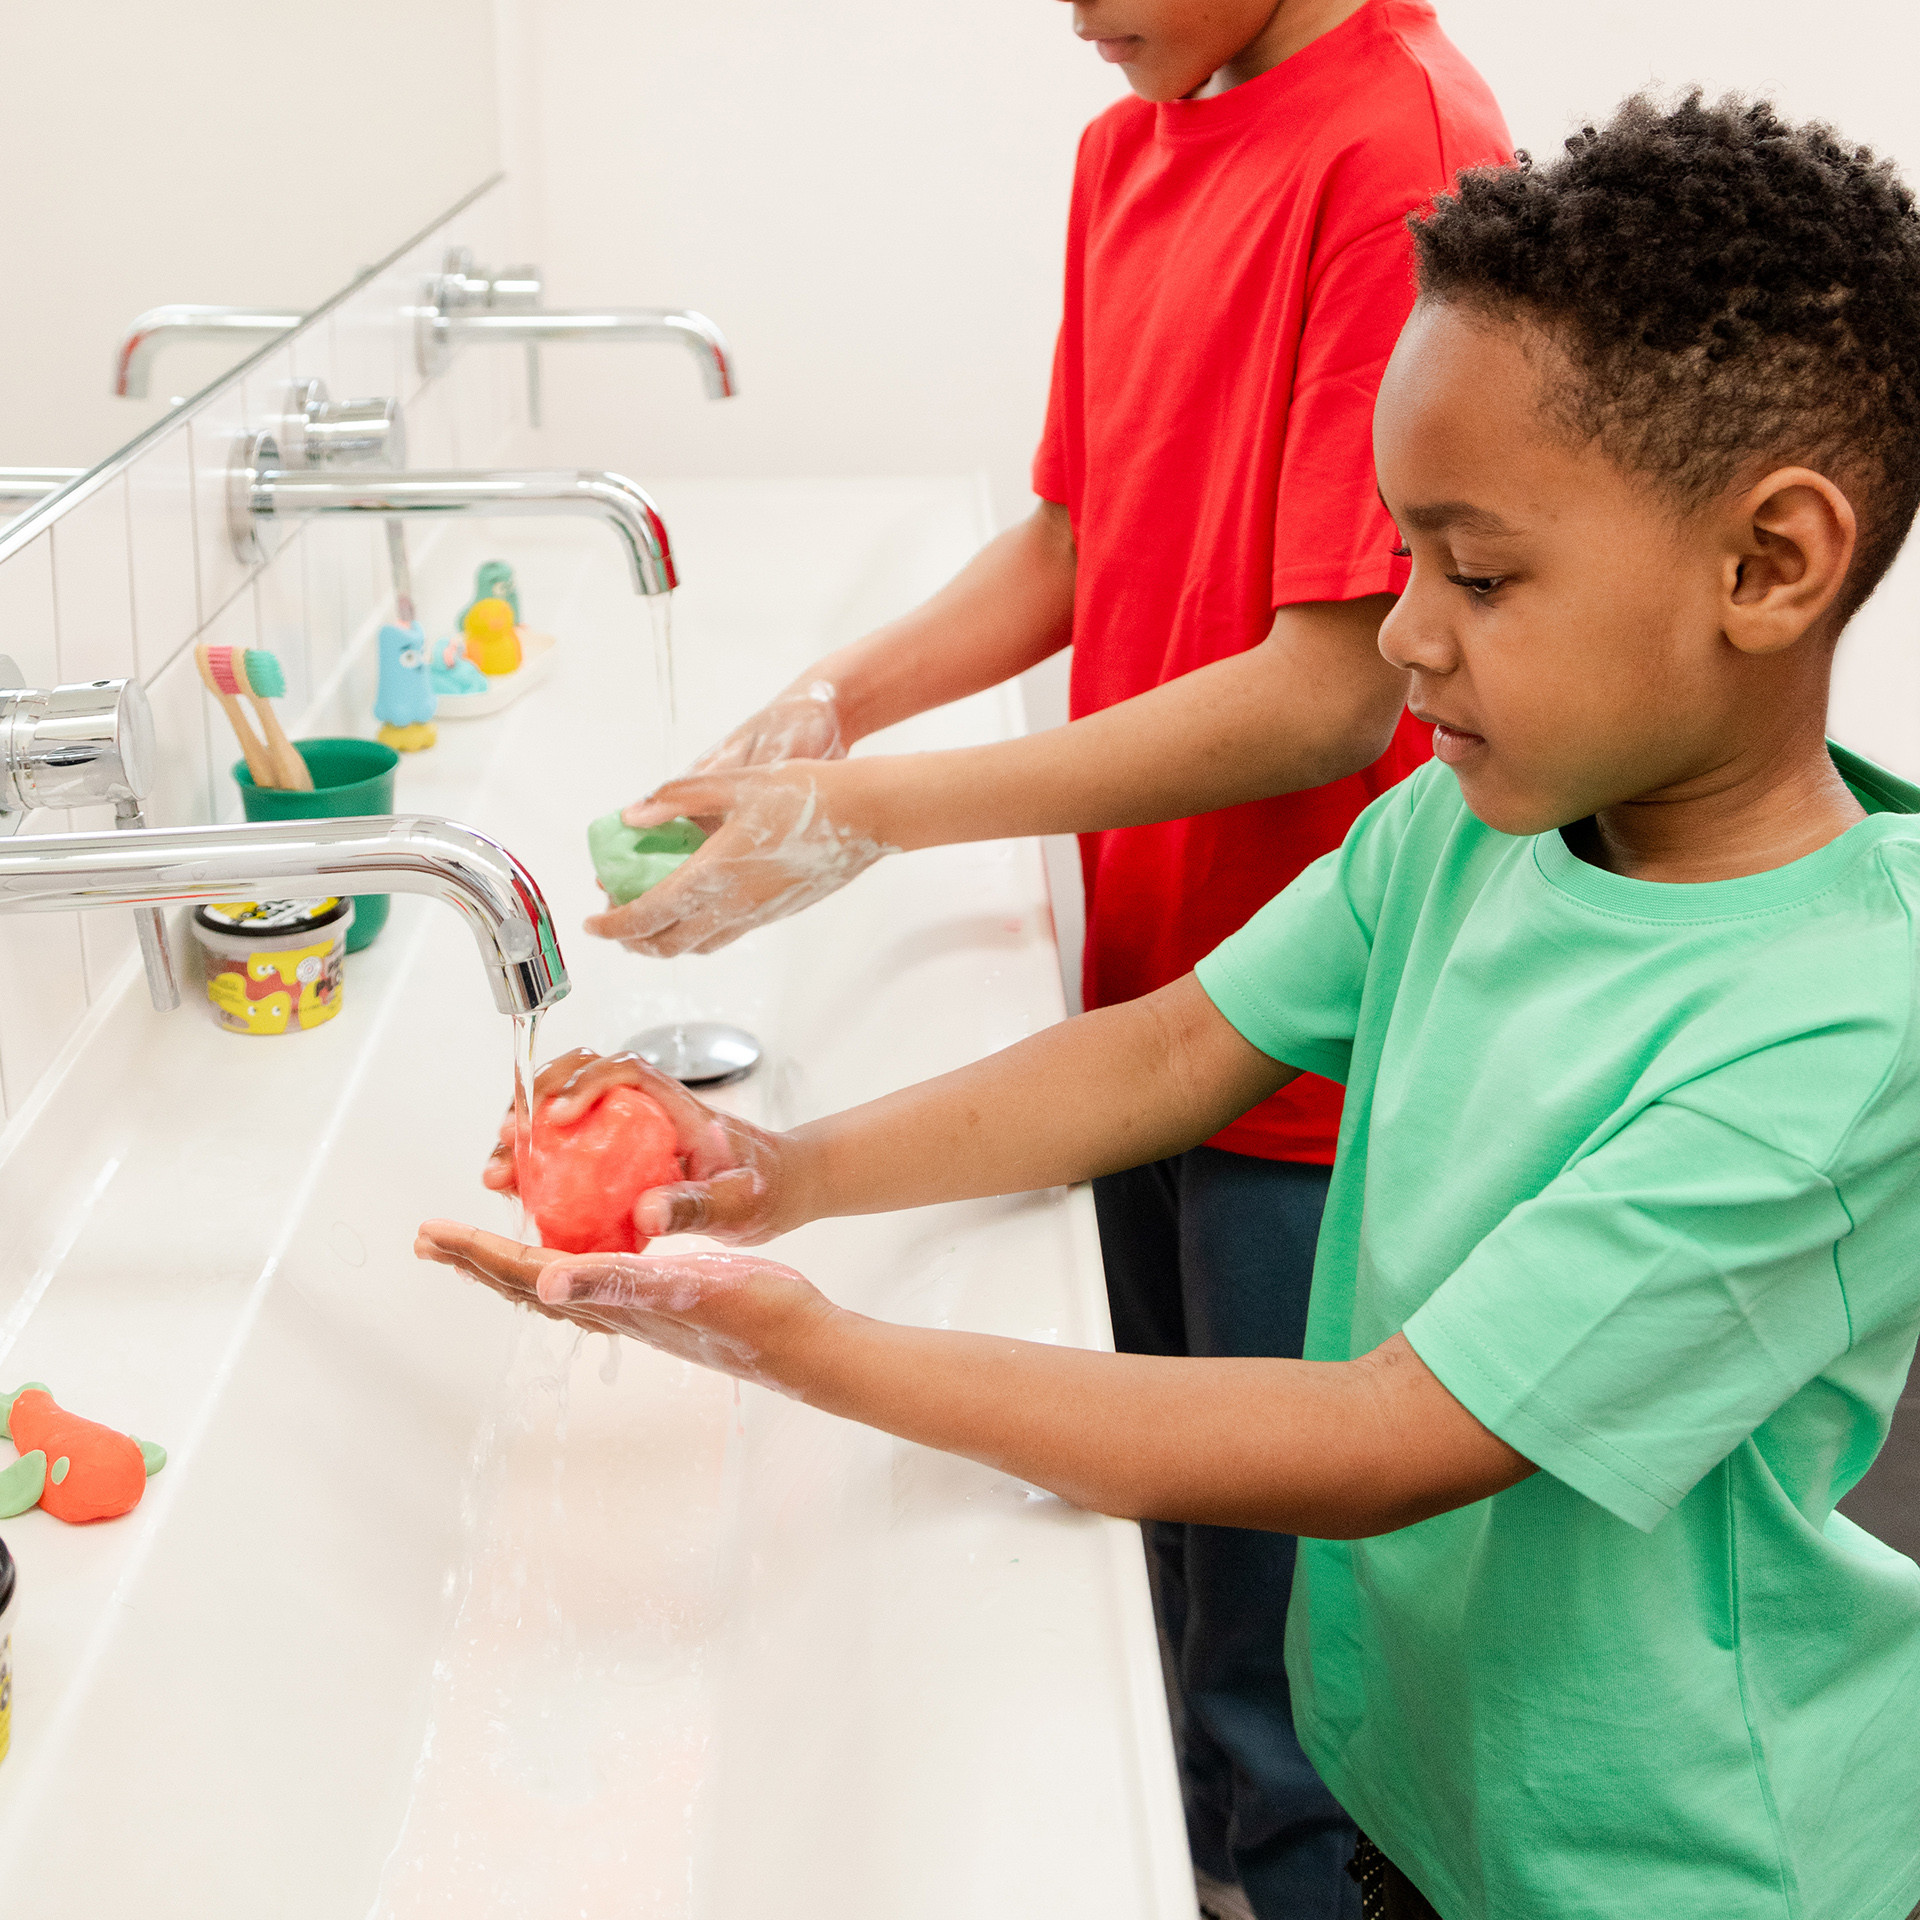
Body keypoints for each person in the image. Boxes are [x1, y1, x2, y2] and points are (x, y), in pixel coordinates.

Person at [424, 93, 1920, 1919]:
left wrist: (810, 1348)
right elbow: (1169, 1048)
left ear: (1768, 567)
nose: (1402, 633)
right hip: (1447, 1794)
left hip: (1677, 1864)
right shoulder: (1463, 828)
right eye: (1404, 554)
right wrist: (779, 1171)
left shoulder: (1841, 1042)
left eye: (1483, 572)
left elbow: (1384, 1440)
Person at [591, 6, 1507, 1911]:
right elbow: (1082, 540)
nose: (1074, 15)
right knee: (1158, 1579)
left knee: (1282, 1672)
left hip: (1314, 1053)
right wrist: (828, 711)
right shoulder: (1137, 140)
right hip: (1155, 985)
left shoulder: (1396, 146)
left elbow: (1334, 693)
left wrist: (882, 815)